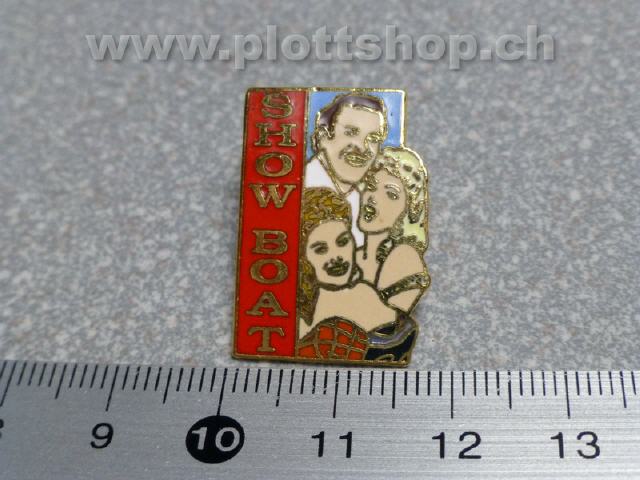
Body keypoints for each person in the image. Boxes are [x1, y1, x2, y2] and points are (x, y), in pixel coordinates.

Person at [297, 188, 396, 339]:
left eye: (342, 242)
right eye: (321, 249)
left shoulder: (365, 296)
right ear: (302, 258)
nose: (336, 257)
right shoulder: (292, 317)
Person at [305, 93, 387, 246]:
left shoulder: (358, 199)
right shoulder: (300, 190)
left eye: (374, 139)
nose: (363, 148)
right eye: (351, 132)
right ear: (322, 137)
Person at [356, 147, 431, 313]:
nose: (373, 197)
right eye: (371, 186)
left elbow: (384, 321)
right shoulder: (351, 257)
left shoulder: (404, 257)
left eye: (391, 194)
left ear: (408, 209)